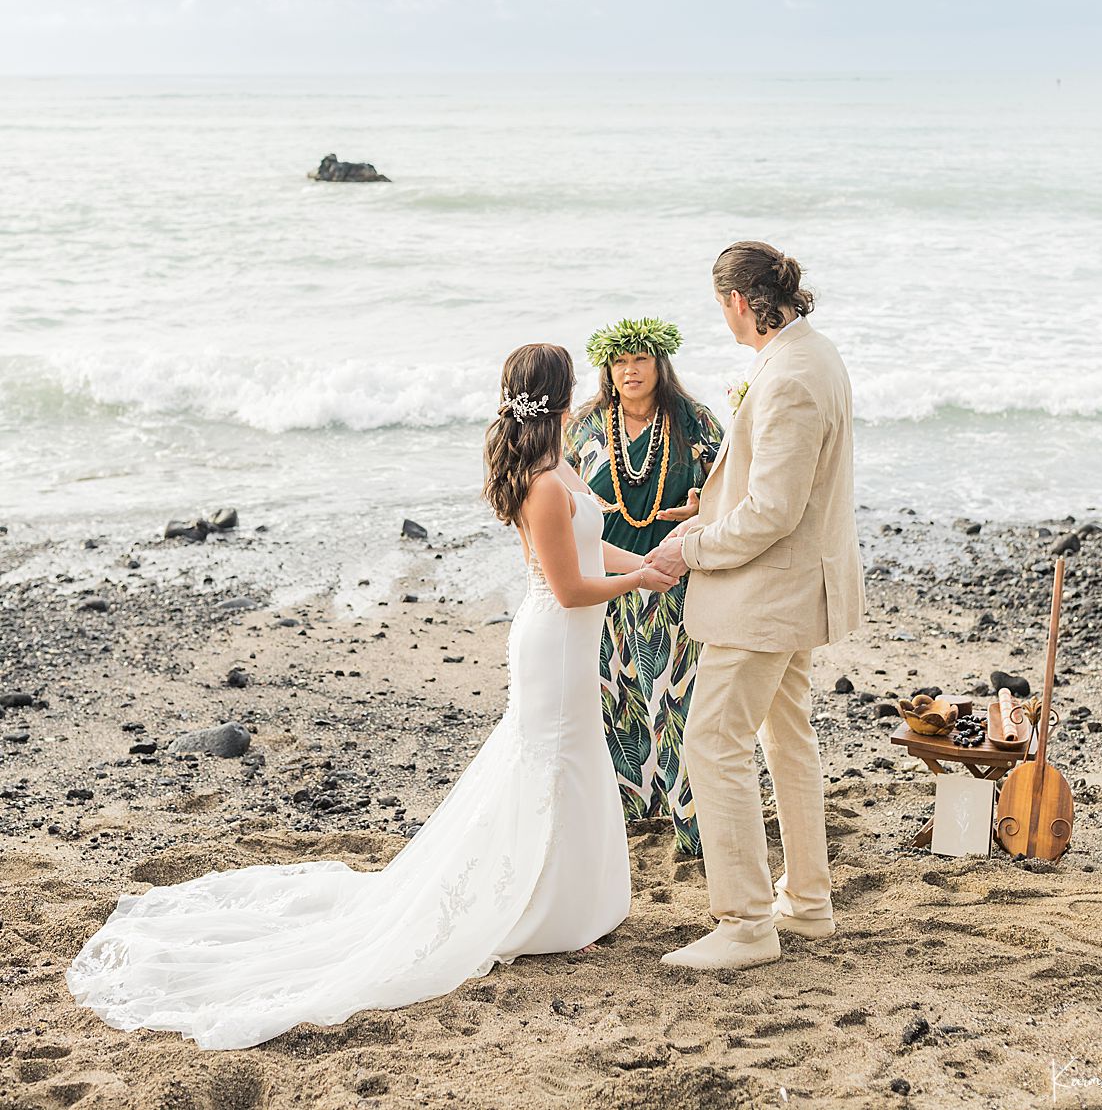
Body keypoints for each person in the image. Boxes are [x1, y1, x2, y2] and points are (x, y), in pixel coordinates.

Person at [65, 343, 675, 1050]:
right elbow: (568, 586)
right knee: (547, 763)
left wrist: (651, 561)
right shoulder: (540, 483)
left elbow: (592, 551)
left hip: (570, 642)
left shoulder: (563, 466)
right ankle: (536, 914)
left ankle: (564, 904)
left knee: (567, 760)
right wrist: (637, 584)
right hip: (553, 639)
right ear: (564, 396)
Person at [649, 241, 867, 972]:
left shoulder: (792, 377)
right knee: (785, 736)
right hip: (794, 586)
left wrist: (695, 547)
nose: (723, 318)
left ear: (739, 301)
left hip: (770, 595)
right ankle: (806, 902)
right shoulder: (811, 354)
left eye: (721, 305)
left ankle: (745, 924)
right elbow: (774, 484)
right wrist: (709, 503)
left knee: (711, 742)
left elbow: (775, 510)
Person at [566, 316, 723, 857]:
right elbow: (555, 495)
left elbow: (733, 488)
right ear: (608, 368)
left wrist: (703, 505)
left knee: (677, 699)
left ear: (661, 364)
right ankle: (630, 810)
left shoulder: (694, 421)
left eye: (641, 359)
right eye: (620, 361)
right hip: (605, 582)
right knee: (615, 695)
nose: (630, 370)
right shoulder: (585, 426)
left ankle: (695, 825)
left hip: (674, 579)